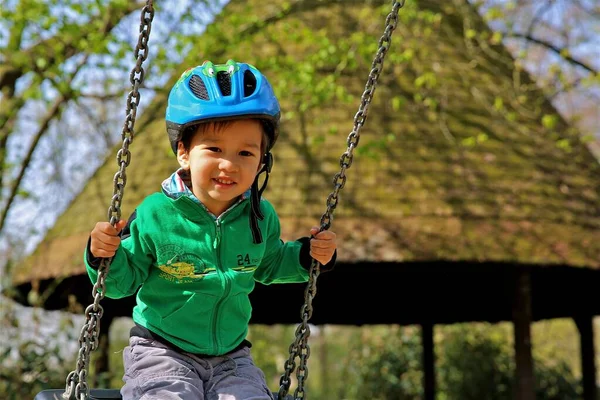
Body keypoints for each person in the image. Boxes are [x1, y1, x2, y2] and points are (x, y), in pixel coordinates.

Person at [84, 59, 337, 400]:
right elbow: (119, 283)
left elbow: (270, 263)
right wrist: (103, 255)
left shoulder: (260, 216)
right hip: (161, 350)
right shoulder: (154, 214)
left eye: (245, 152)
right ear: (184, 152)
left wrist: (308, 256)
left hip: (232, 357)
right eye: (214, 149)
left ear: (262, 162)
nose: (229, 164)